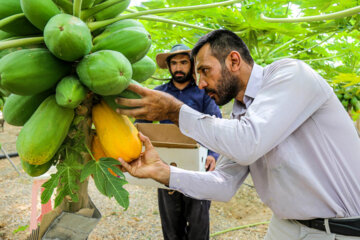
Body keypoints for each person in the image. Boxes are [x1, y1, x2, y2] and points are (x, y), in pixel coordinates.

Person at [116, 30, 360, 239]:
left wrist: (175, 110)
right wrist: (163, 172)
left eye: (204, 70)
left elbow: (247, 142)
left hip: (337, 230)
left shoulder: (292, 74)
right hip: (284, 226)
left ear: (233, 61)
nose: (200, 83)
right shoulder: (242, 117)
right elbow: (224, 184)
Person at [135, 44, 222, 240]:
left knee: (198, 226)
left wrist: (212, 155)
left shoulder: (203, 92)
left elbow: (217, 125)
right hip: (167, 164)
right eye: (174, 63)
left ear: (191, 65)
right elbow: (141, 124)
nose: (178, 67)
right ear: (168, 67)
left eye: (183, 62)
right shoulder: (158, 93)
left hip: (198, 166)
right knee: (172, 225)